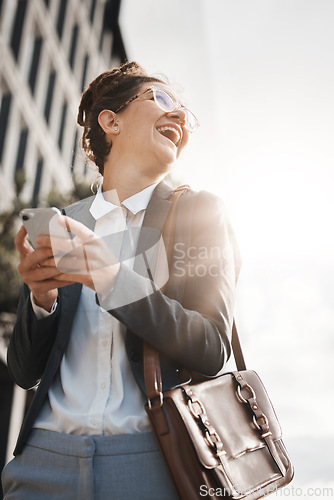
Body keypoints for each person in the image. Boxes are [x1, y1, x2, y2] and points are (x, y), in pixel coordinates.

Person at [2, 61, 241, 499]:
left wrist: (112, 278)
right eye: (162, 99)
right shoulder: (63, 224)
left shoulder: (198, 214)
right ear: (110, 121)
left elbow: (210, 348)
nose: (180, 117)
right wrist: (41, 299)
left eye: (186, 112)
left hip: (152, 464)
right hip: (42, 464)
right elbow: (23, 371)